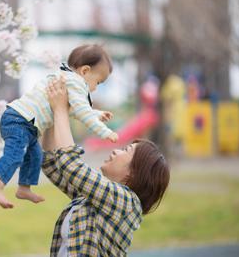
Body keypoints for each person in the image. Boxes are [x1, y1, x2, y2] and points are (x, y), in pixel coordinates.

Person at [41, 78, 170, 256]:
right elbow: (53, 165)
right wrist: (53, 114)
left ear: (135, 172)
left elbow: (71, 165)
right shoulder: (95, 198)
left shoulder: (126, 203)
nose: (116, 151)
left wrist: (61, 110)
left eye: (126, 150)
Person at [0, 44, 119, 209]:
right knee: (15, 154)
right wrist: (105, 132)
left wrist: (97, 114)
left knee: (35, 155)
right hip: (19, 120)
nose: (95, 88)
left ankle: (24, 188)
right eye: (98, 82)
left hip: (28, 125)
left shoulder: (65, 78)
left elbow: (71, 110)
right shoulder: (75, 82)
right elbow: (82, 111)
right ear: (85, 71)